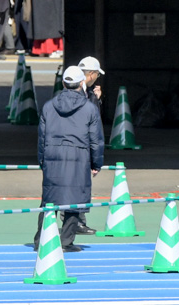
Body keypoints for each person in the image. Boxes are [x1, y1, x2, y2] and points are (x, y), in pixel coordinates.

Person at [33, 66, 104, 252]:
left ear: (63, 83)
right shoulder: (89, 108)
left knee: (49, 199)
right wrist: (96, 163)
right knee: (75, 198)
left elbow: (41, 137)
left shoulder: (49, 106)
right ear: (82, 83)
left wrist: (42, 160)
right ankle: (65, 241)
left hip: (52, 156)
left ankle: (41, 239)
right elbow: (96, 139)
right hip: (79, 156)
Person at [69, 56, 106, 235]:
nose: (97, 78)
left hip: (74, 146)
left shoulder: (80, 90)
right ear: (91, 74)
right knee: (75, 186)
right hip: (78, 147)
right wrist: (96, 100)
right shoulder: (79, 92)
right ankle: (73, 224)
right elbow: (91, 122)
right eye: (97, 75)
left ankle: (77, 222)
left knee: (77, 186)